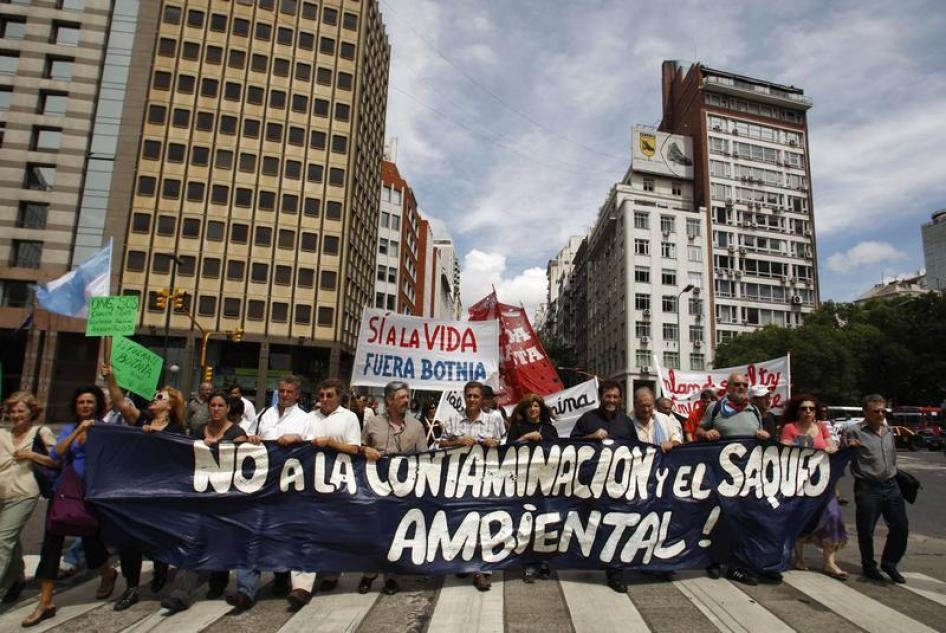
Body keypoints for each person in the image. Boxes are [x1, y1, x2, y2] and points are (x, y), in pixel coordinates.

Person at [23, 386, 118, 628]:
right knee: (52, 542)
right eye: (81, 402)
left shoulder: (105, 429)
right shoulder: (69, 429)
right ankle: (45, 601)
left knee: (91, 539)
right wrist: (78, 431)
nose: (85, 406)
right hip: (65, 492)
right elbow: (57, 454)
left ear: (97, 405)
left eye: (89, 402)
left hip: (91, 493)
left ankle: (107, 574)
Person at [102, 365, 188, 610]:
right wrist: (111, 379)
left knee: (159, 538)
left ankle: (161, 569)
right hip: (136, 489)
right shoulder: (142, 420)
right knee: (129, 541)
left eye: (160, 397)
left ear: (170, 405)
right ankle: (131, 587)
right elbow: (122, 404)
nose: (155, 399)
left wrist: (157, 437)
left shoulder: (176, 430)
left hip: (163, 493)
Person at [228, 375, 309, 611]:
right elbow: (247, 438)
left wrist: (297, 439)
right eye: (281, 391)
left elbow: (312, 447)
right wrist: (252, 438)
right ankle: (245, 589)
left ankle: (283, 578)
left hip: (289, 486)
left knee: (283, 534)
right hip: (261, 484)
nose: (284, 395)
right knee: (252, 533)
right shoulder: (265, 413)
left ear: (297, 395)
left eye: (289, 392)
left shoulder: (305, 419)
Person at [161, 392, 247, 614]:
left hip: (228, 499)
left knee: (223, 542)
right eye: (213, 405)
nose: (216, 409)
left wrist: (219, 447)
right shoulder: (201, 431)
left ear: (228, 408)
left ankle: (218, 582)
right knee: (195, 543)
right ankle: (180, 594)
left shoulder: (237, 434)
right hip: (202, 497)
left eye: (220, 405)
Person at [282, 378, 363, 610]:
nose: (324, 399)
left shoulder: (349, 418)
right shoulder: (310, 418)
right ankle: (301, 586)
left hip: (337, 484)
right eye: (322, 395)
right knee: (305, 532)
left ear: (339, 397)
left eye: (329, 395)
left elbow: (354, 448)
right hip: (309, 486)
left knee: (332, 532)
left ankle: (330, 573)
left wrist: (330, 444)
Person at [696, 372, 774, 586]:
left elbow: (761, 435)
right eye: (737, 384)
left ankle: (737, 565)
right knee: (717, 519)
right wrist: (706, 433)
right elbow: (698, 430)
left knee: (743, 521)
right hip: (720, 476)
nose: (741, 387)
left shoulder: (754, 410)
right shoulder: (716, 408)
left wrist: (763, 435)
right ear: (728, 387)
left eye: (744, 384)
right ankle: (712, 559)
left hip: (747, 478)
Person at [357, 381, 428, 595]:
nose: (407, 400)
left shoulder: (417, 426)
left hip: (404, 489)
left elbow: (424, 457)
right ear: (389, 401)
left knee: (397, 531)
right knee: (375, 531)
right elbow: (360, 448)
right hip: (376, 487)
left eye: (407, 397)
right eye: (402, 397)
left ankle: (392, 577)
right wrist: (366, 451)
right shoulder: (372, 423)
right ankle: (369, 574)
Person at [569, 379, 637, 593]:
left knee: (616, 526)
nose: (612, 400)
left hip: (618, 485)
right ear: (601, 397)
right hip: (592, 485)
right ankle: (587, 562)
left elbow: (637, 449)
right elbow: (571, 445)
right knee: (591, 525)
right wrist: (591, 436)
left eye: (616, 397)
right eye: (608, 396)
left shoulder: (626, 422)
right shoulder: (587, 419)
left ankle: (615, 572)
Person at [441, 381, 506, 591]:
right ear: (464, 397)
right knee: (462, 521)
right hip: (459, 480)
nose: (471, 400)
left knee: (484, 523)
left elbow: (506, 444)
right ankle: (463, 562)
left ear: (482, 399)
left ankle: (482, 571)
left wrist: (496, 444)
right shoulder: (452, 420)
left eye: (475, 396)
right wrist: (456, 442)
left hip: (486, 480)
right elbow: (439, 444)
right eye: (468, 396)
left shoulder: (493, 420)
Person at [779, 395, 847, 580]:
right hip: (798, 482)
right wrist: (802, 447)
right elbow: (784, 446)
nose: (808, 411)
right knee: (801, 517)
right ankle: (799, 557)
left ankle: (829, 561)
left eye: (811, 408)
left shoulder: (822, 427)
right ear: (797, 411)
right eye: (803, 408)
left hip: (822, 481)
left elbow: (832, 445)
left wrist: (830, 448)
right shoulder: (790, 428)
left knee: (833, 515)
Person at [0, 392, 58, 607]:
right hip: (1, 490)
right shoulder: (2, 435)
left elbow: (56, 461)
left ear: (31, 412)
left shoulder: (41, 432)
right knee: (8, 538)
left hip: (24, 492)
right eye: (12, 411)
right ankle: (16, 578)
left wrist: (32, 455)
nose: (16, 415)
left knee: (3, 541)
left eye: (20, 410)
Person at [845, 394, 909, 583]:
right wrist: (847, 446)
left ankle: (890, 562)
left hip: (891, 486)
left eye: (883, 411)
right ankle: (869, 566)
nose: (880, 414)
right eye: (876, 411)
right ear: (865, 412)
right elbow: (839, 451)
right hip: (867, 487)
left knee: (901, 527)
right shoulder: (854, 431)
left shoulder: (888, 431)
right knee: (866, 529)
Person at [507, 393, 558, 582]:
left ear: (541, 409)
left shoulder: (550, 429)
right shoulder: (517, 428)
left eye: (536, 406)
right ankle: (529, 565)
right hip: (523, 483)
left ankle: (544, 561)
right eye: (529, 406)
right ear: (524, 409)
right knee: (527, 523)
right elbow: (508, 449)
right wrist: (526, 437)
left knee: (545, 523)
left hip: (545, 484)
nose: (533, 409)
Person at [633, 389, 682, 453]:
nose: (646, 410)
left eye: (649, 406)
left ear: (653, 404)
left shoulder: (664, 419)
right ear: (635, 405)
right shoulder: (628, 423)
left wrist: (672, 443)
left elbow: (677, 439)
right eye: (642, 406)